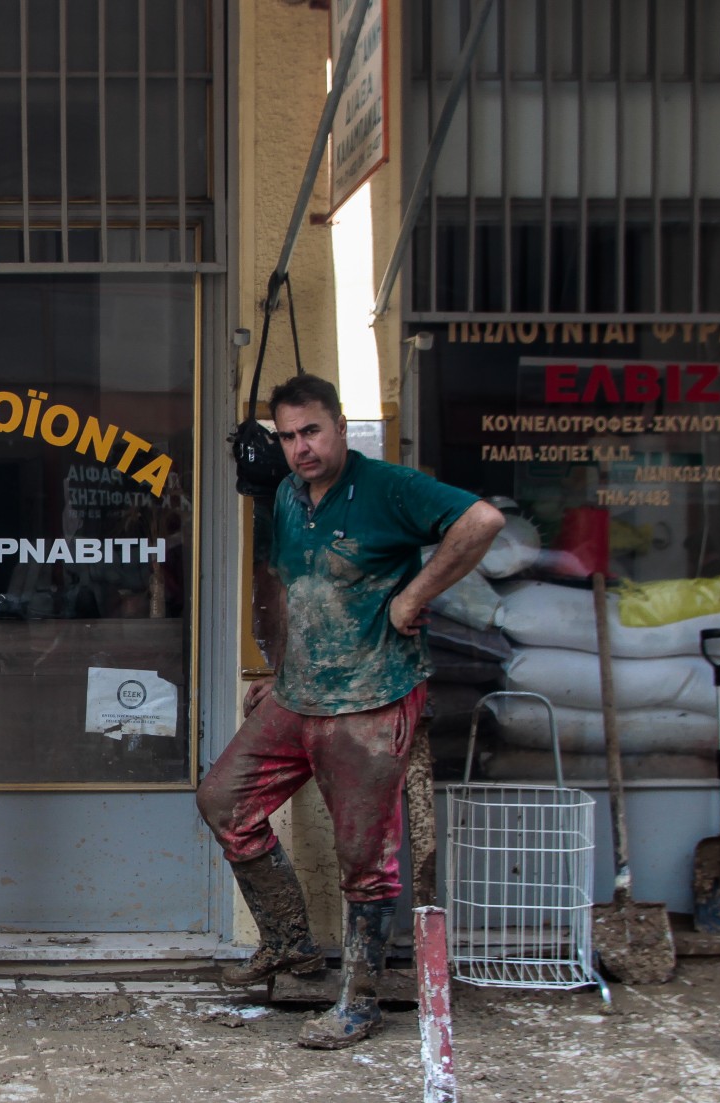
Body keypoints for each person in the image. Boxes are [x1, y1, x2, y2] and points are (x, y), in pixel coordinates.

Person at [198, 374, 504, 1049]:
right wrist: (279, 676)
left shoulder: (389, 488)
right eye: (287, 436)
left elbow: (481, 521)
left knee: (365, 858)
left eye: (312, 431)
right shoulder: (285, 494)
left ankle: (360, 999)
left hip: (371, 699)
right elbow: (295, 589)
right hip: (300, 694)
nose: (301, 447)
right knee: (225, 801)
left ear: (338, 426)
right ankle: (289, 946)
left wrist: (413, 595)